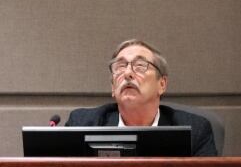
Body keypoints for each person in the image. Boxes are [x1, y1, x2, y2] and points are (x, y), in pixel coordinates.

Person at [66, 39, 218, 156]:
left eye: (140, 66)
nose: (127, 73)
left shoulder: (194, 131)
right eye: (120, 67)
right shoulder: (83, 124)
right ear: (113, 87)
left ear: (162, 84)